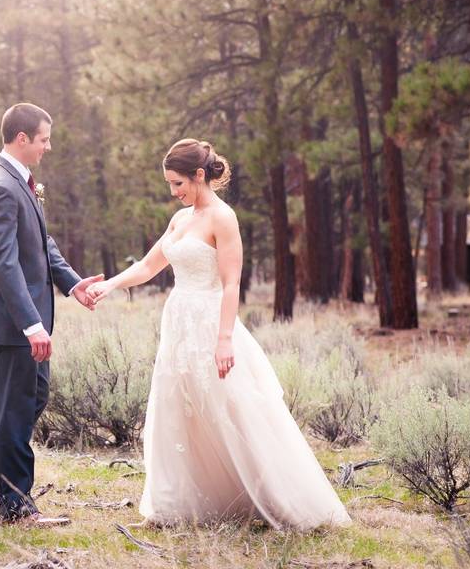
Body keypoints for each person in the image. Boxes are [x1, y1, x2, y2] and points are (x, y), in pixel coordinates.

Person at [88, 139, 351, 530]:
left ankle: (279, 499)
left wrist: (224, 338)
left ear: (199, 175)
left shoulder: (222, 218)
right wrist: (109, 286)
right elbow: (147, 266)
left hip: (212, 322)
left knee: (232, 409)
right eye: (169, 185)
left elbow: (231, 284)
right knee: (177, 408)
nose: (174, 192)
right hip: (178, 323)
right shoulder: (179, 220)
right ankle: (175, 505)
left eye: (178, 183)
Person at [0, 103, 104, 526]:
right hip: (12, 323)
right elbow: (4, 262)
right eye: (44, 139)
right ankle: (15, 506)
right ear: (22, 139)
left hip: (26, 321)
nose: (48, 147)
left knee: (31, 399)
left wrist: (72, 283)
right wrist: (30, 323)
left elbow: (41, 245)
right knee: (16, 408)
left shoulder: (21, 184)